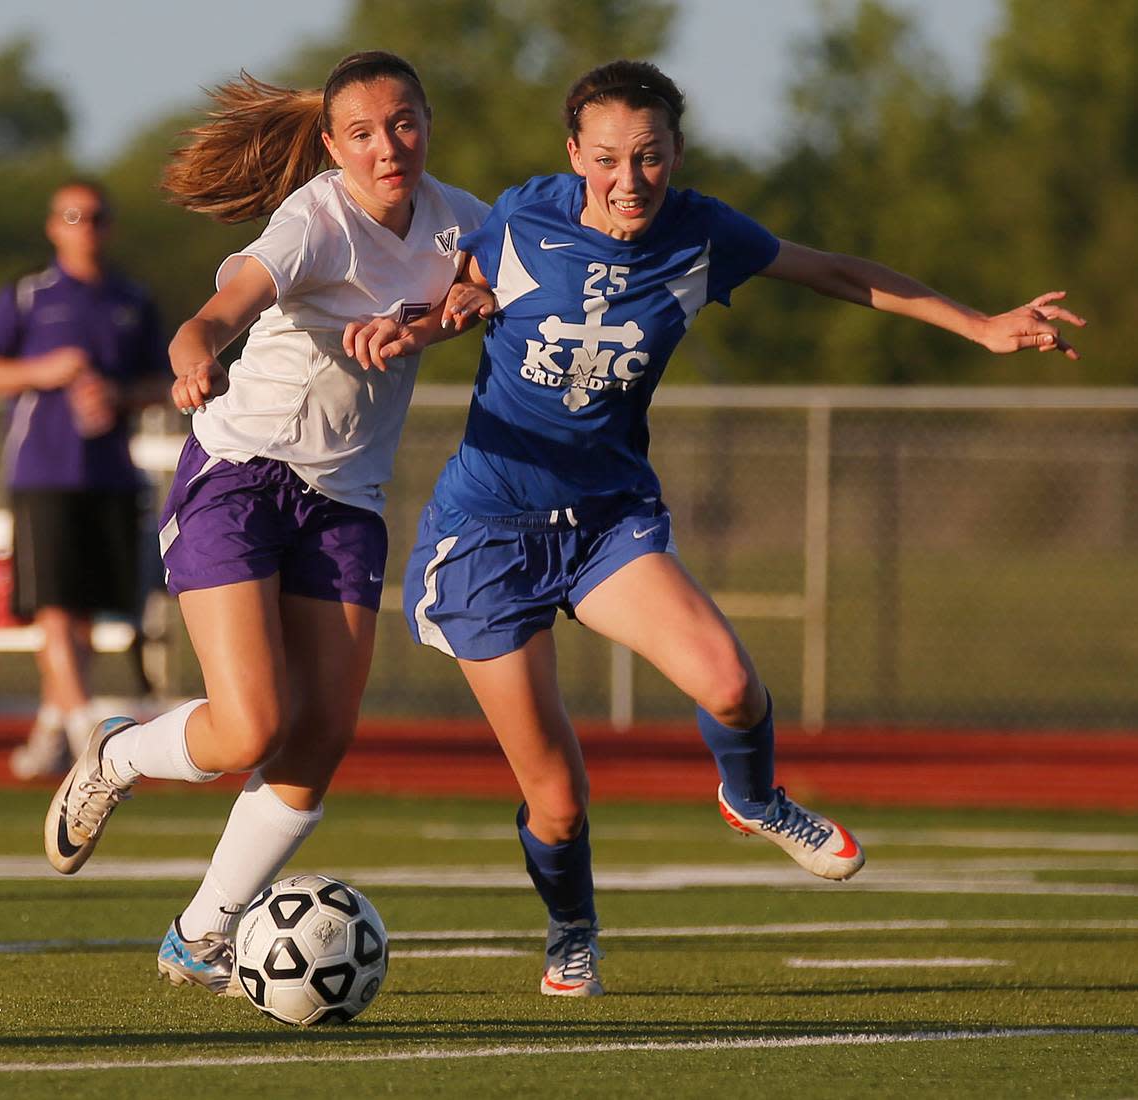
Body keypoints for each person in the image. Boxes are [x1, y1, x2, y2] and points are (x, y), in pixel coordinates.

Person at [365, 59, 1086, 997]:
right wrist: (430, 319)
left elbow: (836, 272)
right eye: (611, 158)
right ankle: (572, 928)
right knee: (559, 800)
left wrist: (982, 326)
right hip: (491, 533)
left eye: (653, 157)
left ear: (676, 154)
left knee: (734, 686)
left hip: (606, 519)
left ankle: (753, 799)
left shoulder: (704, 235)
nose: (631, 181)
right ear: (575, 154)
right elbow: (459, 293)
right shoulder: (519, 216)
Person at [42, 51, 491, 996]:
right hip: (242, 477)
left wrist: (456, 310)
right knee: (250, 727)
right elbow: (216, 312)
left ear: (428, 120)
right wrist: (197, 351)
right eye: (362, 133)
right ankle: (120, 752)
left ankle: (198, 937)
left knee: (319, 738)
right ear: (332, 145)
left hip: (347, 503)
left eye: (403, 123)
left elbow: (499, 290)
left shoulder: (463, 220)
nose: (387, 147)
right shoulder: (315, 218)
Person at [0, 180, 169, 780]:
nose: (85, 227)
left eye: (96, 216)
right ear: (53, 225)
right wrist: (43, 370)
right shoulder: (27, 296)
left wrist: (117, 395)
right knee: (53, 609)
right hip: (43, 471)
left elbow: (165, 379)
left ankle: (52, 731)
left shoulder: (131, 298)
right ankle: (86, 737)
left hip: (111, 475)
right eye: (73, 216)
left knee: (87, 613)